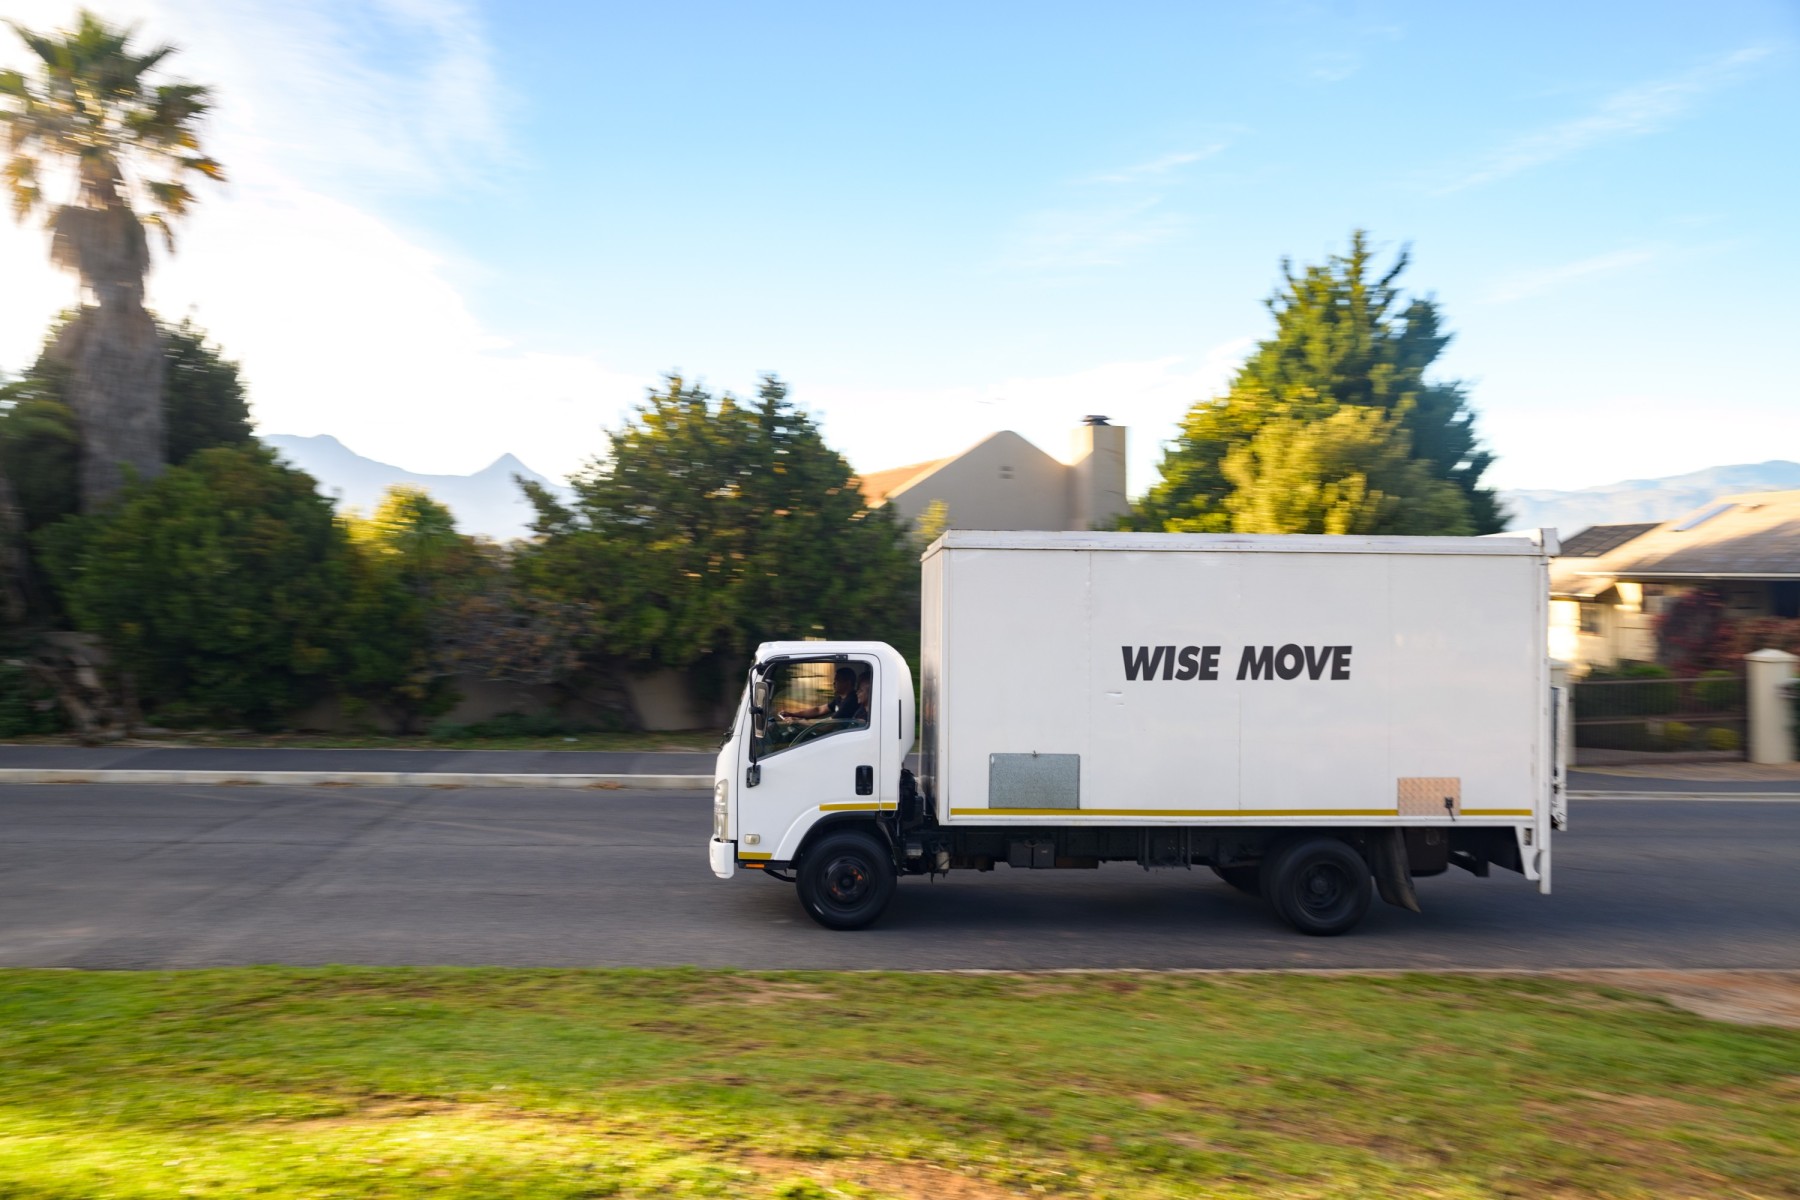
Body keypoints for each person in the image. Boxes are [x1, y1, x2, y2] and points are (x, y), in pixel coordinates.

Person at [778, 666, 861, 722]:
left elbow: (827, 725)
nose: (833, 683)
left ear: (848, 683)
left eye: (837, 680)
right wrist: (793, 714)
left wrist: (798, 721)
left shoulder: (851, 700)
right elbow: (819, 710)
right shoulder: (840, 698)